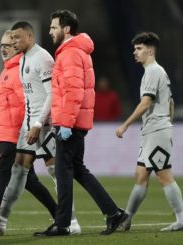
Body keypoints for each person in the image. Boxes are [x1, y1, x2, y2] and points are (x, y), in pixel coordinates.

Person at [36, 10, 128, 236]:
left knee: (63, 171)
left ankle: (63, 224)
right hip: (76, 121)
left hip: (70, 122)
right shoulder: (77, 51)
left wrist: (65, 123)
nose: (50, 31)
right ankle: (113, 213)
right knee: (76, 169)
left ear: (66, 29)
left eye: (53, 27)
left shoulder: (70, 54)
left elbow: (74, 92)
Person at [0, 21, 80, 235]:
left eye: (17, 38)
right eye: (12, 39)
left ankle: (71, 222)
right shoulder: (23, 59)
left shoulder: (43, 58)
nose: (14, 42)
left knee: (56, 172)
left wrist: (38, 123)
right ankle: (0, 220)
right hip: (29, 125)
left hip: (44, 125)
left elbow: (52, 93)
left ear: (29, 36)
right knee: (19, 169)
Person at [116, 32, 183, 232]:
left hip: (156, 131)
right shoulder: (156, 72)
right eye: (134, 49)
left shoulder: (153, 71)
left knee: (164, 176)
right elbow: (170, 102)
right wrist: (168, 126)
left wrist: (125, 124)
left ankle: (181, 219)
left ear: (150, 50)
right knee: (141, 175)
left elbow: (146, 103)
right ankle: (126, 219)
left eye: (139, 48)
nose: (134, 52)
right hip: (154, 131)